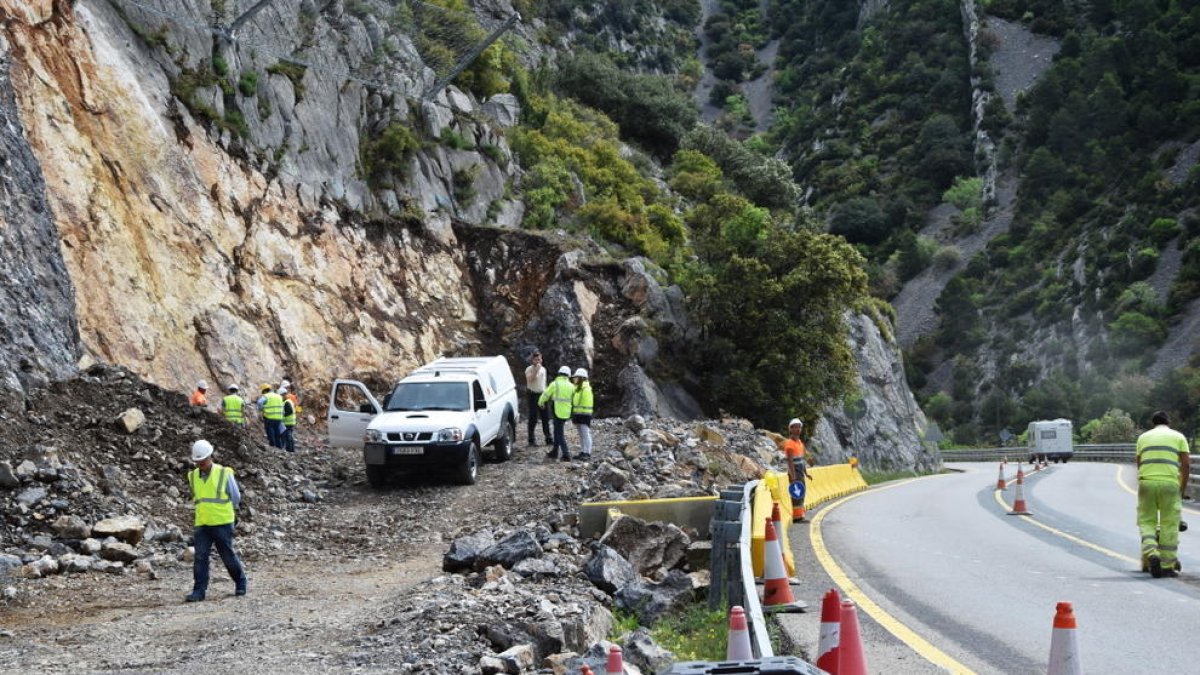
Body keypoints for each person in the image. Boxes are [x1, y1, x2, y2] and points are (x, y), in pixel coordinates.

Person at [185, 440, 247, 601]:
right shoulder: (192, 476)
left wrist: (231, 514)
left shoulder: (223, 473)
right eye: (198, 462)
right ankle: (199, 591)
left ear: (210, 457)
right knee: (200, 557)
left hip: (222, 522)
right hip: (203, 523)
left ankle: (240, 582)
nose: (201, 465)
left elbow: (235, 497)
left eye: (203, 461)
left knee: (227, 555)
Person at [1136, 410, 1191, 578]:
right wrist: (1182, 488)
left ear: (1153, 423)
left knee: (1147, 520)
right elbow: (1186, 464)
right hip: (1169, 484)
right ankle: (1167, 566)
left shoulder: (1143, 438)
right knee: (1169, 524)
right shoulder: (1178, 437)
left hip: (1147, 482)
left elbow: (1139, 462)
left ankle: (1152, 552)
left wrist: (1145, 481)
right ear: (1169, 422)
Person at [538, 366, 574, 461]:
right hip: (566, 412)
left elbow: (546, 394)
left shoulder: (555, 384)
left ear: (559, 373)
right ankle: (555, 451)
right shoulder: (571, 386)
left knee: (559, 433)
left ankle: (566, 454)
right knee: (557, 431)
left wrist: (540, 402)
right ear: (568, 375)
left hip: (557, 410)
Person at [783, 418, 814, 522]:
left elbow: (801, 460)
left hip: (800, 473)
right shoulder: (789, 444)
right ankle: (797, 517)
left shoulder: (800, 443)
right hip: (795, 473)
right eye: (795, 427)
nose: (798, 429)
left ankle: (800, 514)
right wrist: (793, 477)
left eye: (799, 427)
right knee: (796, 495)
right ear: (790, 429)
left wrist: (806, 473)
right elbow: (790, 462)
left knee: (801, 493)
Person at [524, 351, 552, 447]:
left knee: (545, 417)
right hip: (532, 394)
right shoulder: (529, 369)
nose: (538, 361)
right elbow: (530, 379)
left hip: (543, 395)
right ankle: (531, 440)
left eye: (539, 359)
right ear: (532, 360)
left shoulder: (544, 369)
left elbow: (544, 383)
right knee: (533, 418)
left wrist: (547, 393)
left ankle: (548, 438)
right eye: (536, 360)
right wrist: (536, 370)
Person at [571, 368, 594, 461]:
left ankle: (587, 453)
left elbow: (586, 403)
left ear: (581, 378)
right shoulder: (578, 388)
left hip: (584, 415)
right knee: (581, 434)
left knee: (585, 434)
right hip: (579, 414)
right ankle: (583, 451)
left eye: (576, 377)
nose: (574, 379)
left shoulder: (585, 389)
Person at [256, 383, 284, 448]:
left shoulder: (266, 396)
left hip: (269, 417)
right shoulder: (279, 396)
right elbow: (282, 406)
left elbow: (259, 402)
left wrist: (261, 409)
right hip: (278, 417)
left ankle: (272, 445)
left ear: (264, 390)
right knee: (277, 431)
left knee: (270, 430)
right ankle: (278, 445)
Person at [279, 387, 297, 452]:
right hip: (290, 422)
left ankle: (290, 450)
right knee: (289, 436)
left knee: (288, 437)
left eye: (281, 395)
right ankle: (291, 449)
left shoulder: (287, 402)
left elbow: (290, 411)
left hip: (288, 423)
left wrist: (282, 416)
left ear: (283, 395)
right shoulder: (288, 401)